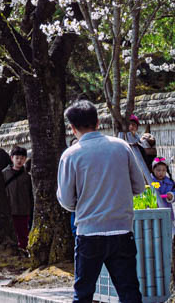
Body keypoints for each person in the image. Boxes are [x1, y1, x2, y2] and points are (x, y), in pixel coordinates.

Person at [57, 99, 148, 303]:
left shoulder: (70, 155)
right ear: (98, 122)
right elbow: (139, 187)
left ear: (72, 128)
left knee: (83, 294)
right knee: (129, 292)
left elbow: (66, 201)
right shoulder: (121, 147)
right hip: (122, 230)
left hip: (89, 232)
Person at [3, 146, 34, 249]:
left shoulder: (27, 177)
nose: (19, 160)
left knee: (23, 234)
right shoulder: (4, 174)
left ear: (25, 159)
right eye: (17, 158)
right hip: (9, 210)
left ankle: (23, 251)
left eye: (22, 158)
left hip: (23, 211)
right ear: (12, 158)